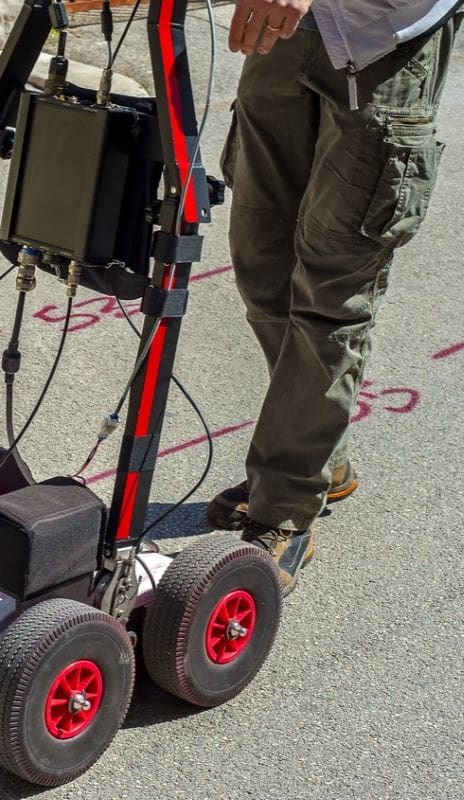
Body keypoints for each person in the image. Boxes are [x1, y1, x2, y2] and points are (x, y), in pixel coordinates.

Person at [208, 0, 463, 594]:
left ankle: (286, 505)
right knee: (262, 269)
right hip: (289, 29)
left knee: (330, 295)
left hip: (384, 44)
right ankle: (321, 456)